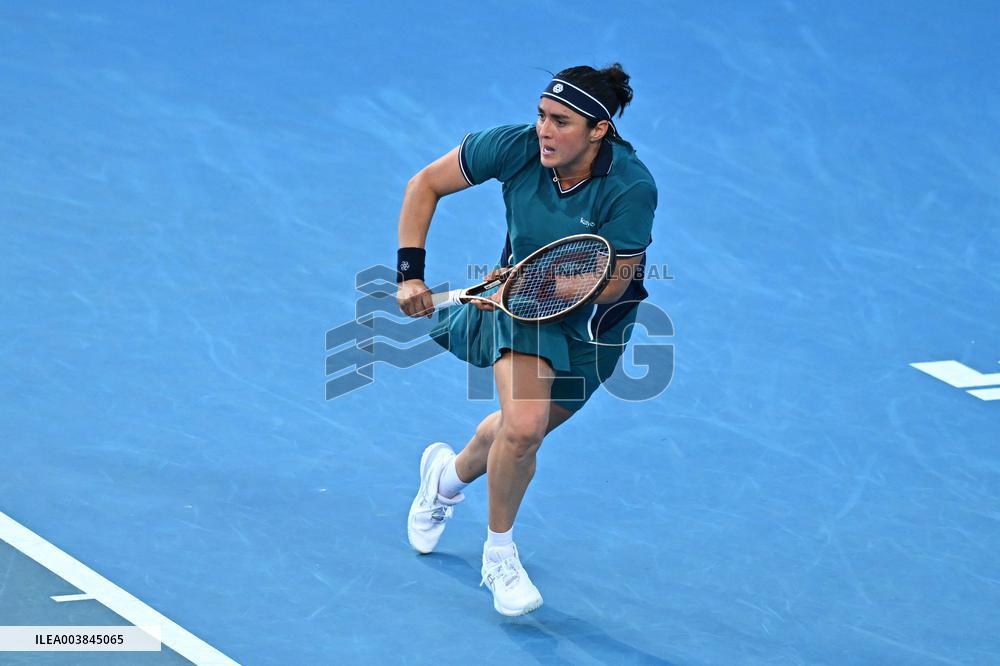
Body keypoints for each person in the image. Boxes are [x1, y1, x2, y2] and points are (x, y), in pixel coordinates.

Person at [396, 63, 657, 617]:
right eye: (541, 115)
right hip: (523, 311)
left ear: (598, 131)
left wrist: (547, 281)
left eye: (561, 122)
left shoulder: (632, 186)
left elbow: (617, 279)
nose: (544, 129)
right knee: (524, 427)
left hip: (599, 327)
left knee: (514, 436)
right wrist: (410, 273)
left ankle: (444, 479)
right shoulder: (513, 148)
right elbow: (426, 184)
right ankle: (500, 556)